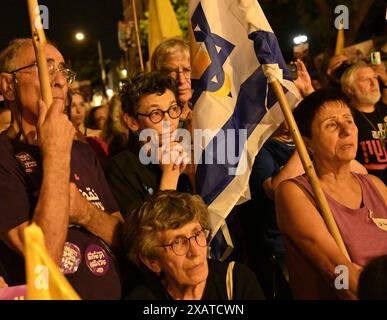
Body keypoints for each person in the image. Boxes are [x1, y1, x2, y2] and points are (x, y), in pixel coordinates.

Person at [0, 38, 124, 299]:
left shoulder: (82, 151)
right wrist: (55, 156)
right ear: (8, 85)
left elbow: (124, 238)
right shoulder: (4, 156)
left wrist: (85, 213)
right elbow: (44, 257)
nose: (59, 81)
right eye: (44, 69)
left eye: (63, 71)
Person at [275, 88, 387, 299]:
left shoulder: (376, 186)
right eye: (332, 125)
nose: (346, 130)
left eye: (349, 120)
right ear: (307, 144)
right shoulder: (294, 193)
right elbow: (335, 271)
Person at [124, 190, 264, 300]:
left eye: (197, 234)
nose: (196, 251)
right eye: (177, 242)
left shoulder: (238, 282)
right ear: (151, 262)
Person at [105, 72, 191, 218]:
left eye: (173, 109)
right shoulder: (121, 168)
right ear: (132, 122)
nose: (168, 121)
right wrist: (170, 174)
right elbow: (150, 233)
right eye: (156, 113)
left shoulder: (187, 153)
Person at [341, 61, 387, 184]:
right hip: (371, 189)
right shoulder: (347, 121)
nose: (373, 83)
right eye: (365, 80)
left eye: (374, 78)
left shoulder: (385, 110)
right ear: (350, 89)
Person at [151, 38, 192, 129]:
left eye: (187, 70)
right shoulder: (151, 121)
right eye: (171, 72)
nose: (181, 80)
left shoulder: (206, 110)